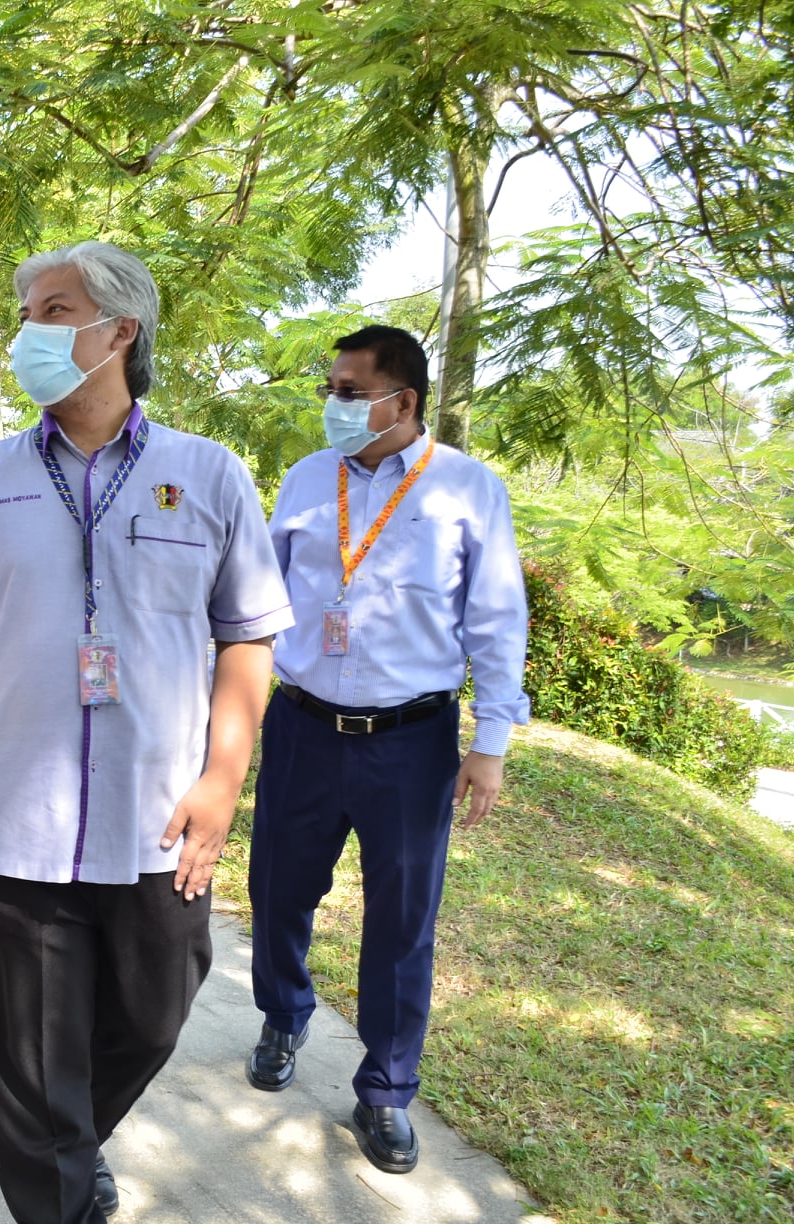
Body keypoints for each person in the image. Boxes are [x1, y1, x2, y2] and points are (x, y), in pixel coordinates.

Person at [0, 241, 294, 1223]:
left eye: (53, 309)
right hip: (14, 826)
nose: (29, 328)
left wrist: (221, 782)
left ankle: (70, 1138)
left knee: (155, 1011)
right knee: (28, 1066)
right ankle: (59, 1186)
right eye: (26, 309)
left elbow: (247, 641)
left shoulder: (210, 475)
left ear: (120, 333)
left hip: (156, 820)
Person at [245, 324, 529, 1176]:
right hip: (300, 725)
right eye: (330, 389)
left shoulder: (468, 491)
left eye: (346, 391)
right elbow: (257, 597)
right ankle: (285, 1011)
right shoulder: (305, 480)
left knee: (403, 918)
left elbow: (496, 619)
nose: (331, 404)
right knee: (277, 887)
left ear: (400, 402)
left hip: (411, 741)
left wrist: (491, 743)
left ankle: (386, 1088)